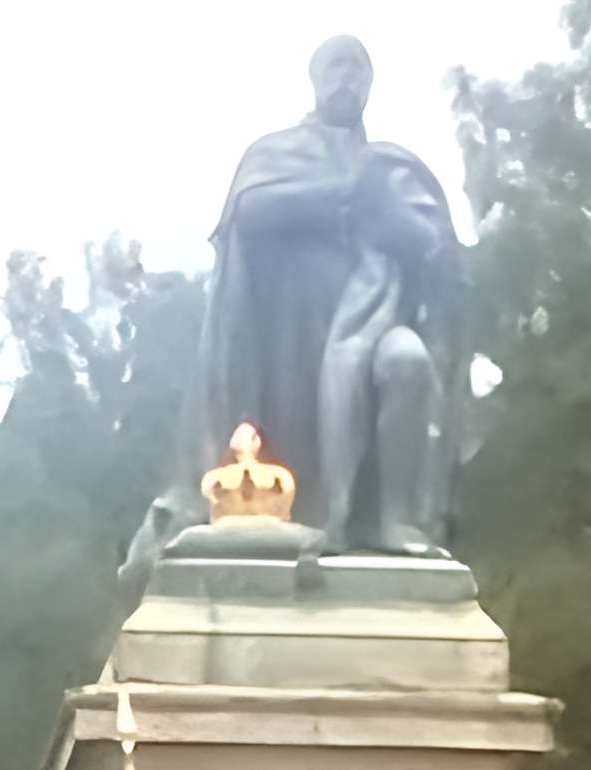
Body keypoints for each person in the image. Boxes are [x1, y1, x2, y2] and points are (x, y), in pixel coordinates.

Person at [120, 34, 467, 592]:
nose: (347, 77)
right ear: (315, 78)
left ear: (371, 85)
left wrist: (392, 217)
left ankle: (396, 520)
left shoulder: (394, 167)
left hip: (375, 320)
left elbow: (433, 247)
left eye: (358, 68)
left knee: (408, 363)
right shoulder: (277, 152)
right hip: (292, 334)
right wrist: (347, 197)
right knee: (294, 443)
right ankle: (311, 525)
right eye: (336, 66)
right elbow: (251, 211)